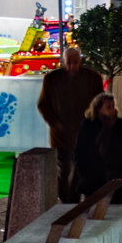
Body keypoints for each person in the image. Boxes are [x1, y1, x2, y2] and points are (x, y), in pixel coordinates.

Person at [38, 46, 105, 201]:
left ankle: (71, 201)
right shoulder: (52, 80)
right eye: (69, 63)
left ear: (80, 61)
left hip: (83, 133)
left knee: (78, 169)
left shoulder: (92, 78)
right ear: (63, 62)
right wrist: (55, 123)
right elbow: (43, 105)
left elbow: (99, 103)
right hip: (61, 135)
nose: (71, 67)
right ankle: (65, 199)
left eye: (75, 63)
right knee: (64, 170)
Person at [75, 92, 122, 201]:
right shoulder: (88, 125)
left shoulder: (121, 125)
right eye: (108, 107)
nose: (112, 110)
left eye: (113, 106)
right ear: (98, 109)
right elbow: (80, 152)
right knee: (92, 212)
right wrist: (84, 175)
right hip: (92, 179)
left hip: (116, 178)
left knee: (114, 212)